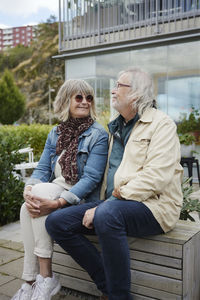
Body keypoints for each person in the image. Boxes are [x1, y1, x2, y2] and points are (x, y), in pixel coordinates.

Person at [46, 67, 183, 300]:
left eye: (119, 85)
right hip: (112, 204)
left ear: (136, 94)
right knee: (57, 222)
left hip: (154, 207)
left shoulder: (162, 125)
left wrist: (105, 204)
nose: (113, 90)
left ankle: (119, 296)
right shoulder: (116, 125)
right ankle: (108, 288)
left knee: (107, 214)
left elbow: (156, 177)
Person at [11, 79, 108, 300]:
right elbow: (43, 169)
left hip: (80, 197)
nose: (85, 102)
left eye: (89, 98)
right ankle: (29, 281)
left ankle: (46, 278)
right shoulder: (56, 133)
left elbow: (92, 178)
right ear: (66, 100)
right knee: (27, 208)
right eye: (79, 97)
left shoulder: (97, 134)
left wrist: (58, 203)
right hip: (54, 189)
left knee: (41, 195)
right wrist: (29, 187)